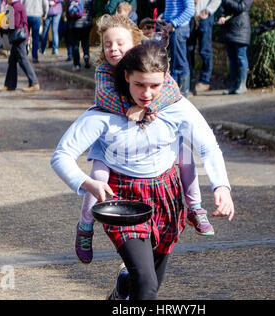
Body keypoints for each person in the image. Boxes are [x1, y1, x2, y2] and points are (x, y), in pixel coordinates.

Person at [51, 40, 235, 300]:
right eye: (139, 84)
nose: (147, 93)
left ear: (166, 79)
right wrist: (87, 183)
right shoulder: (104, 114)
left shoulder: (177, 108)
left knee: (147, 284)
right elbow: (62, 155)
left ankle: (120, 294)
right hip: (122, 200)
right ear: (126, 76)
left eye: (155, 85)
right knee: (147, 284)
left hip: (167, 198)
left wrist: (222, 187)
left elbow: (208, 148)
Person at [73, 13, 215, 266]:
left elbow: (172, 90)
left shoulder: (149, 62)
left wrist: (148, 107)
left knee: (185, 155)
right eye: (107, 45)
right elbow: (104, 98)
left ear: (136, 44)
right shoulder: (104, 71)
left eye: (120, 44)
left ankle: (195, 208)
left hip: (155, 140)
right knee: (99, 177)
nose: (113, 49)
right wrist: (132, 110)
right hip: (111, 144)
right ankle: (85, 226)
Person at [0, 0, 40, 92]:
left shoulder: (15, 7)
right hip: (17, 38)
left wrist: (4, 26)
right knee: (12, 61)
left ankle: (34, 83)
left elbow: (16, 24)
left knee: (23, 60)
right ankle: (9, 84)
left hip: (19, 38)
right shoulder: (13, 6)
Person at [217, 0, 253, 95]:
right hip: (229, 29)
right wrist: (221, 15)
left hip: (241, 29)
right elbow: (221, 6)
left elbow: (242, 7)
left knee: (241, 57)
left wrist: (227, 1)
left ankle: (242, 85)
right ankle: (233, 85)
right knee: (232, 59)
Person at [162, 0, 195, 97]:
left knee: (180, 63)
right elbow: (173, 9)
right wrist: (163, 15)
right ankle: (176, 94)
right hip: (173, 29)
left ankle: (183, 95)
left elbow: (190, 10)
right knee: (174, 62)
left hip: (179, 29)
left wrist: (174, 23)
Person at [187, 0, 220, 95]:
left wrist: (208, 10)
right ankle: (190, 81)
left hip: (205, 17)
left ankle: (205, 81)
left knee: (205, 50)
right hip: (190, 17)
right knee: (189, 49)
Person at [67, 0, 96, 71]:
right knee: (85, 42)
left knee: (75, 45)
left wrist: (70, 21)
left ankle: (76, 65)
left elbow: (68, 12)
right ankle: (86, 55)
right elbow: (94, 10)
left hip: (74, 24)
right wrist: (90, 18)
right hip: (86, 23)